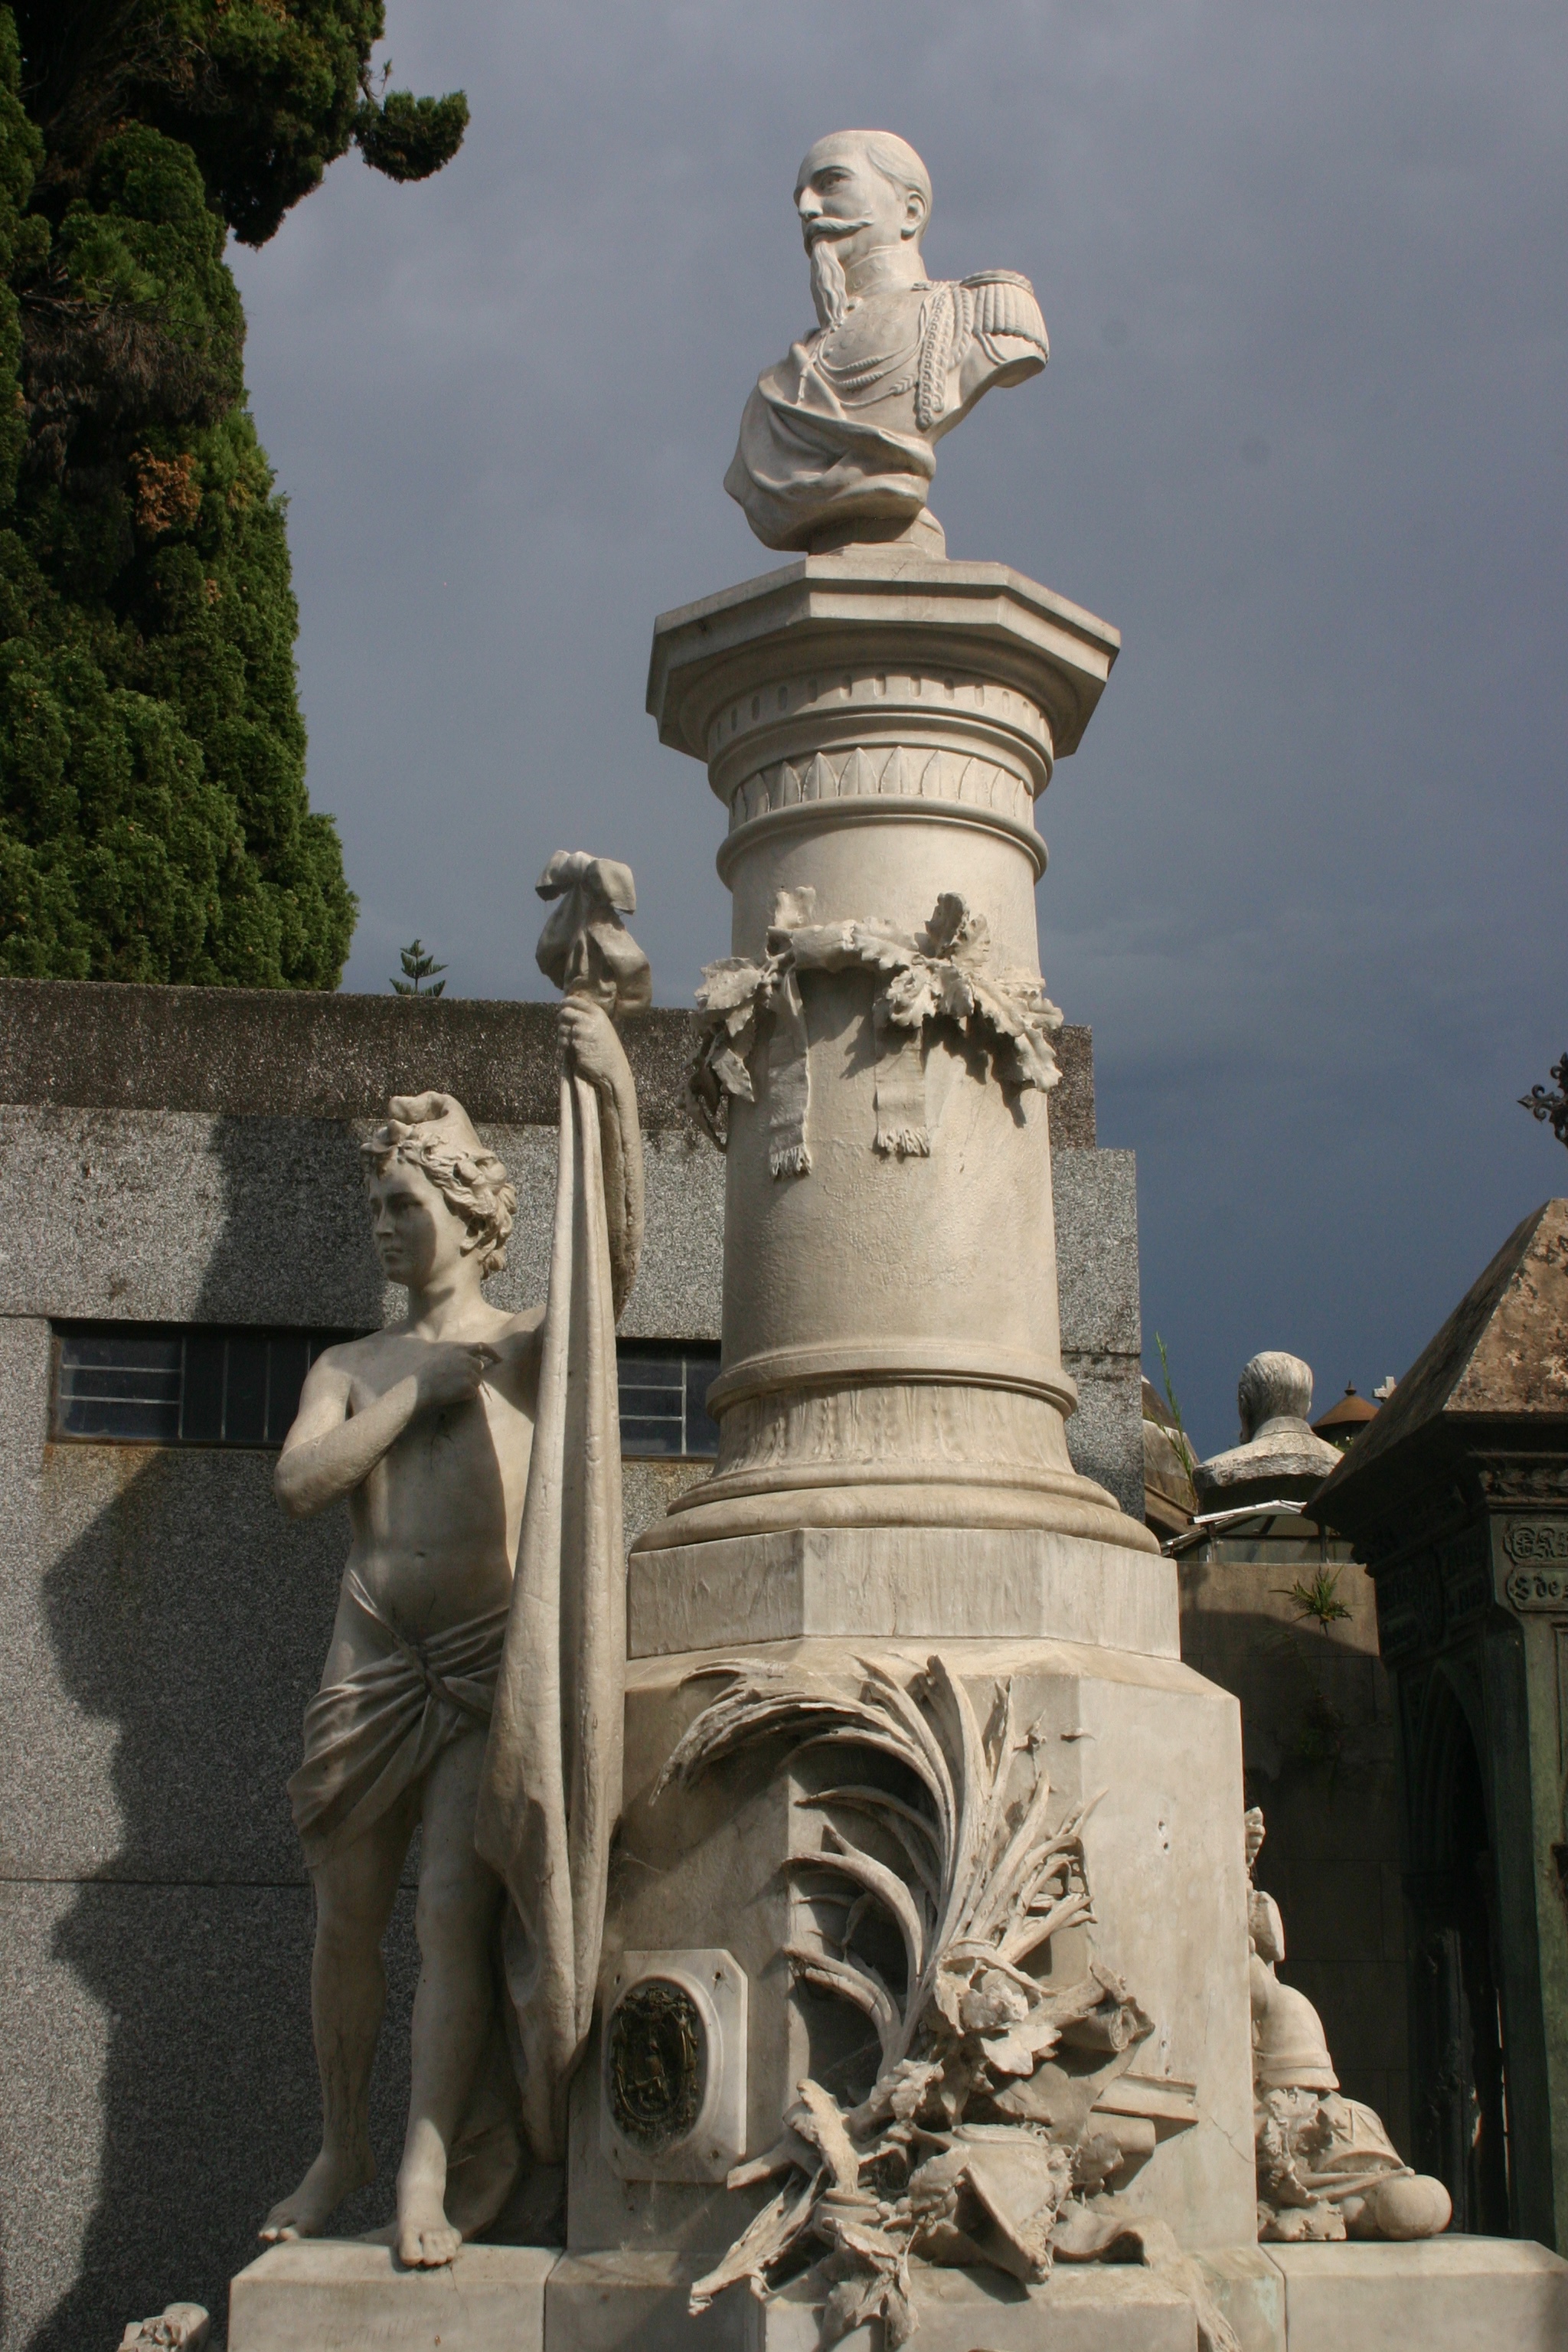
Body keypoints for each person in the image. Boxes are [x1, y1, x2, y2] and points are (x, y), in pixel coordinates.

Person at [258, 998, 640, 2266]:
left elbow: (614, 1269)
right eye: (376, 1206)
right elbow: (301, 1484)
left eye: (405, 1204)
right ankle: (340, 2145)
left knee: (448, 1920)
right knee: (345, 1914)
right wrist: (411, 1394)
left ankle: (424, 2163)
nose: (387, 1225)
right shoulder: (354, 1362)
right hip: (369, 1650)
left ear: (471, 1214)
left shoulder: (528, 1349)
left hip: (486, 1657)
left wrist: (616, 1098)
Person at [725, 129, 1049, 553]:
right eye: (800, 196)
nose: (807, 208)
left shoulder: (987, 314)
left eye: (831, 183)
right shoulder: (776, 391)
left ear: (910, 211)